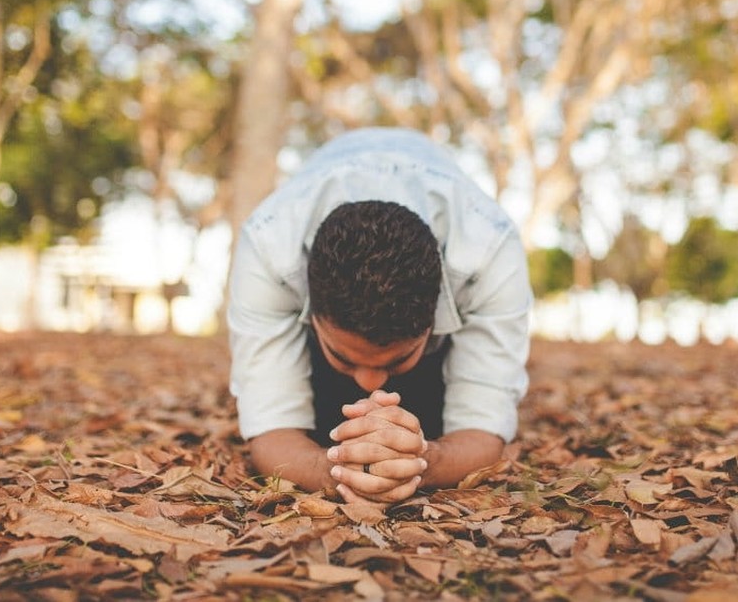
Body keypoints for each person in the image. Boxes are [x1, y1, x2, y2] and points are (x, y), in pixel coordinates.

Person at [227, 127, 531, 504]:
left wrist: (422, 461)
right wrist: (331, 469)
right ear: (312, 310)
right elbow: (271, 427)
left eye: (400, 357)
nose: (370, 382)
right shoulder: (269, 244)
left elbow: (483, 426)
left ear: (433, 318)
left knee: (426, 414)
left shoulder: (489, 247)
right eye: (344, 355)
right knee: (327, 421)